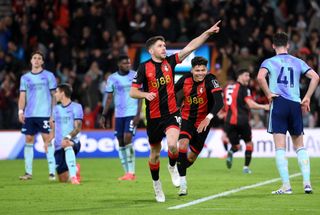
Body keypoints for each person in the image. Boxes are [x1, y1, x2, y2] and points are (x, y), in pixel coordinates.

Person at [130, 20, 221, 202]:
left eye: (164, 45)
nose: (164, 48)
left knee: (173, 145)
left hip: (171, 114)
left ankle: (172, 166)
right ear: (151, 50)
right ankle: (157, 187)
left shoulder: (170, 62)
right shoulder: (143, 68)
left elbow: (191, 46)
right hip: (153, 117)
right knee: (155, 154)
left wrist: (208, 33)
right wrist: (145, 94)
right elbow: (133, 92)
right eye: (160, 46)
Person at [257, 32, 319, 194]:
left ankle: (286, 186)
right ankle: (307, 184)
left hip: (279, 103)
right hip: (295, 104)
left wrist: (268, 94)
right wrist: (307, 98)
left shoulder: (269, 62)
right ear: (288, 45)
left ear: (273, 46)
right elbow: (316, 77)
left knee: (280, 147)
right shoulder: (298, 61)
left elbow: (260, 77)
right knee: (300, 146)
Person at [174, 56, 224, 196]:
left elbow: (219, 102)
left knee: (190, 158)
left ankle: (178, 165)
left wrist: (208, 118)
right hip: (187, 119)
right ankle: (183, 184)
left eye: (203, 70)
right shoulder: (185, 79)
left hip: (204, 122)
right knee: (182, 146)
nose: (201, 73)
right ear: (192, 70)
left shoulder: (211, 80)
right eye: (197, 70)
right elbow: (170, 91)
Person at [100, 55, 141, 181]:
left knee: (127, 138)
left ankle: (132, 172)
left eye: (129, 63)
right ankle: (126, 172)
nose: (128, 65)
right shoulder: (112, 78)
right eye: (125, 63)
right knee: (120, 141)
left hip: (132, 112)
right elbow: (109, 98)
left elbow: (140, 95)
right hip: (119, 114)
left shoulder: (135, 75)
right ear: (119, 64)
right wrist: (104, 114)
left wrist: (138, 114)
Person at [18, 51, 56, 181]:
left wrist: (53, 114)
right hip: (29, 114)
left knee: (47, 140)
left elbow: (54, 96)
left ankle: (52, 172)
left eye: (39, 58)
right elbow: (22, 95)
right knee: (28, 140)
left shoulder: (49, 76)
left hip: (44, 114)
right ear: (31, 61)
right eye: (34, 58)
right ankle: (28, 173)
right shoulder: (25, 78)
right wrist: (20, 111)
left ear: (42, 62)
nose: (37, 60)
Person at [223, 69, 269, 174]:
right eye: (246, 75)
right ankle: (246, 168)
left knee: (236, 146)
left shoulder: (227, 87)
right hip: (242, 120)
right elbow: (251, 104)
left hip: (229, 122)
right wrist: (264, 106)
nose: (248, 78)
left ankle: (231, 151)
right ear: (239, 76)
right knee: (249, 143)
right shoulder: (244, 89)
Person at [50, 83, 83, 184]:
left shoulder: (76, 107)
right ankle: (75, 169)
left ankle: (74, 178)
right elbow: (54, 128)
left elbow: (78, 128)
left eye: (56, 92)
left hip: (73, 141)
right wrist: (48, 141)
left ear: (62, 93)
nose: (55, 94)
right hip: (58, 145)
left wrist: (68, 137)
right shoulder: (56, 109)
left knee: (66, 143)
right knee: (63, 179)